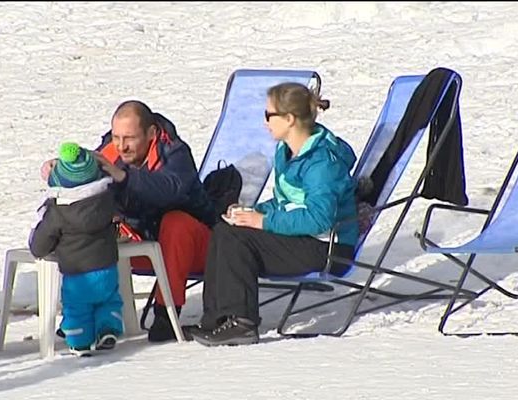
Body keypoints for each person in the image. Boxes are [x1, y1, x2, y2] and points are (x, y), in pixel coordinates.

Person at [190, 82, 360, 347]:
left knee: (237, 239)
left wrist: (263, 222)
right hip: (306, 238)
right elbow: (286, 202)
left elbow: (320, 218)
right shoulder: (288, 151)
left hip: (328, 248)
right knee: (225, 229)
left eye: (269, 115)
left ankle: (242, 323)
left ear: (289, 119)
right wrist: (253, 212)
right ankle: (217, 318)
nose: (265, 122)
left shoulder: (321, 162)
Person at [41, 100, 215, 343]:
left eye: (130, 138)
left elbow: (170, 190)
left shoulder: (174, 152)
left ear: (151, 133)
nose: (122, 146)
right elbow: (85, 182)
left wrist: (122, 176)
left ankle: (166, 317)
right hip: (141, 243)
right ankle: (82, 315)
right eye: (116, 137)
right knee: (84, 227)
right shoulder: (111, 151)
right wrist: (59, 170)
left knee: (176, 223)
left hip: (197, 247)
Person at [30, 142, 122, 356]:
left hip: (77, 275)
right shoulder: (107, 200)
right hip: (108, 269)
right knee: (109, 301)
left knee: (76, 309)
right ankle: (108, 328)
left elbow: (40, 246)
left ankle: (80, 342)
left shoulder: (58, 212)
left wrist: (36, 242)